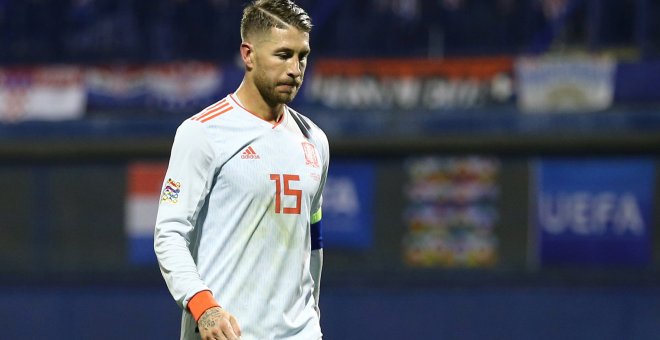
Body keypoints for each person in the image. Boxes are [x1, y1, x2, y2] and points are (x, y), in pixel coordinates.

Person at [153, 1, 328, 339]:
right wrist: (203, 306)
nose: (295, 69)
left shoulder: (315, 141)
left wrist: (313, 318)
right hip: (227, 332)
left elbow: (313, 240)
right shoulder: (203, 132)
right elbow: (169, 233)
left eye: (302, 56)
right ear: (248, 55)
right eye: (283, 55)